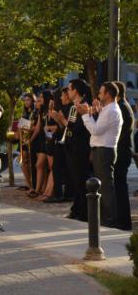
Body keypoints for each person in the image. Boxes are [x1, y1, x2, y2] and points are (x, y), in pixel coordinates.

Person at [76, 82, 122, 227]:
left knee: (105, 188)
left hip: (104, 151)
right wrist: (93, 112)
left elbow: (96, 130)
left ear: (108, 94)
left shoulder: (111, 111)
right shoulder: (107, 109)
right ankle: (104, 219)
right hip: (100, 150)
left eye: (101, 92)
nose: (98, 95)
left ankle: (109, 220)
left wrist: (85, 115)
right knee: (101, 187)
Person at [64, 79, 92, 222]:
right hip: (72, 147)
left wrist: (64, 123)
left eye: (69, 89)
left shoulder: (85, 105)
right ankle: (76, 209)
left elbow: (80, 129)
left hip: (81, 149)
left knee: (81, 180)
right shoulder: (73, 107)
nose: (68, 92)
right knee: (75, 181)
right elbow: (70, 127)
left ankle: (83, 212)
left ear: (75, 91)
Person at [113, 81, 134, 230]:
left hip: (122, 152)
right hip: (121, 151)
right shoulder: (121, 106)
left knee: (120, 187)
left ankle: (124, 221)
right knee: (118, 186)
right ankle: (120, 218)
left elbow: (120, 134)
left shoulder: (123, 108)